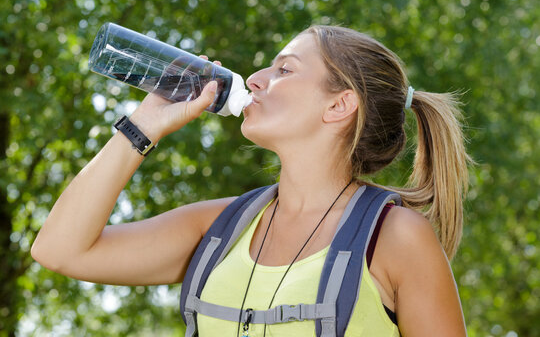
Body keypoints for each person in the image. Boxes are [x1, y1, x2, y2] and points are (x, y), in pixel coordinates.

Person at [32, 25, 470, 336]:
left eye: (284, 69)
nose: (256, 80)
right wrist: (144, 123)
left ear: (339, 106)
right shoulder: (220, 228)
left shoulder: (395, 239)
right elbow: (59, 250)